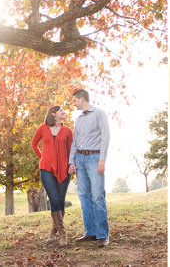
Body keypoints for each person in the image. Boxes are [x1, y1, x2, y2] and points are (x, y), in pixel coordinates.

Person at [68, 88, 111, 247]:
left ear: (82, 99)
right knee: (84, 196)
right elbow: (74, 142)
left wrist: (102, 159)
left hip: (94, 158)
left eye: (74, 101)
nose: (73, 104)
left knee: (97, 196)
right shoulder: (78, 119)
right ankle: (90, 232)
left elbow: (105, 137)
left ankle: (102, 234)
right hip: (80, 159)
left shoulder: (99, 113)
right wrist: (72, 162)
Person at [31, 105, 73, 246]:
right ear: (53, 114)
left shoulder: (67, 131)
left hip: (64, 170)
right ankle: (63, 234)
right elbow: (34, 144)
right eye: (61, 110)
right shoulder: (42, 129)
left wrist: (71, 164)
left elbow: (71, 150)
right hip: (46, 169)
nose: (64, 112)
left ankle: (52, 232)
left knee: (60, 201)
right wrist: (43, 158)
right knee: (54, 199)